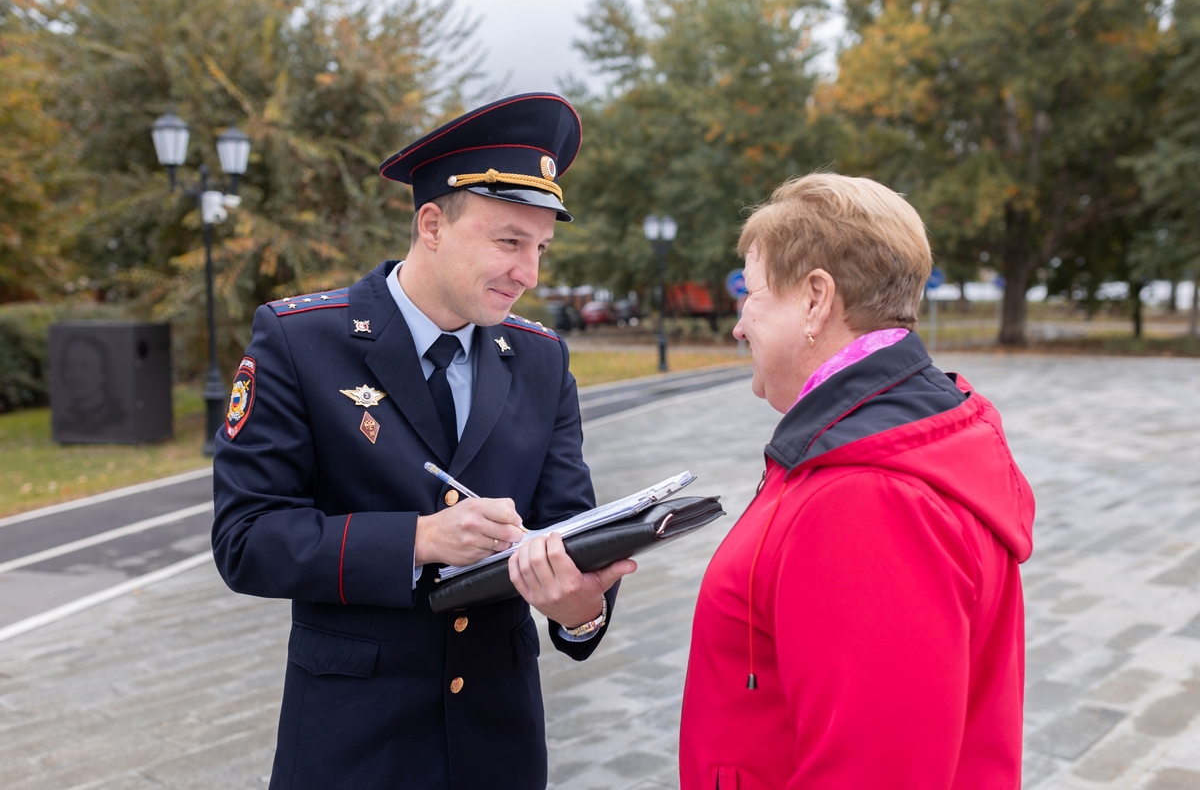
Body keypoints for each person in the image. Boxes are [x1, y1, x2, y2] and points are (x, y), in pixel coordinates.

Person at [211, 93, 635, 790]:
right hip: (353, 745)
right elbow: (247, 539)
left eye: (540, 249)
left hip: (499, 750)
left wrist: (581, 609)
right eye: (509, 242)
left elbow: (569, 526)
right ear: (432, 223)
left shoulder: (540, 359)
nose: (528, 273)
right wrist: (421, 540)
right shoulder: (300, 341)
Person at [679, 173, 1035, 789]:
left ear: (816, 298)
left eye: (752, 292)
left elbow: (875, 770)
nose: (739, 324)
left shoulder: (866, 497)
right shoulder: (877, 444)